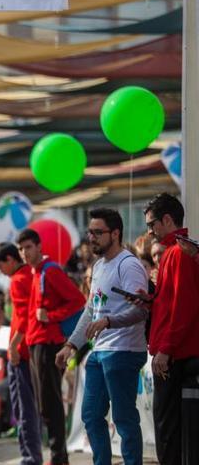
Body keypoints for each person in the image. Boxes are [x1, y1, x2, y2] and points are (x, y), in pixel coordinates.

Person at [55, 208, 149, 465]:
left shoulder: (128, 265)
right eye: (90, 233)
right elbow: (90, 310)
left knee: (124, 418)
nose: (92, 238)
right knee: (91, 416)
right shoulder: (98, 266)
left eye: (98, 232)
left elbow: (141, 310)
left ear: (115, 233)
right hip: (99, 352)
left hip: (124, 351)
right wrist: (71, 345)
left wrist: (109, 321)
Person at [139, 193, 199, 465]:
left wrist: (166, 349)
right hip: (173, 353)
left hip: (175, 356)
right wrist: (149, 301)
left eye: (152, 224)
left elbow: (183, 307)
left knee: (169, 430)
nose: (149, 231)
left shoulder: (180, 252)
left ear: (167, 219)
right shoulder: (174, 252)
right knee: (169, 429)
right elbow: (171, 304)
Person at [17, 229, 85, 465]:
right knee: (45, 404)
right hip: (36, 344)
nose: (24, 253)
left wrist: (52, 315)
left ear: (38, 247)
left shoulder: (51, 271)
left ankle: (59, 458)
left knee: (51, 404)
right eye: (21, 249)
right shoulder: (35, 273)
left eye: (28, 247)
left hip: (49, 345)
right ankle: (57, 456)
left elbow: (78, 301)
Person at [0, 242, 42, 465]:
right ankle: (31, 454)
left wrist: (12, 346)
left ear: (11, 260)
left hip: (21, 353)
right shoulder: (29, 275)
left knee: (24, 408)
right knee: (25, 407)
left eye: (0, 265)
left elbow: (23, 317)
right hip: (27, 349)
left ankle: (30, 456)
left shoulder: (20, 279)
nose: (0, 271)